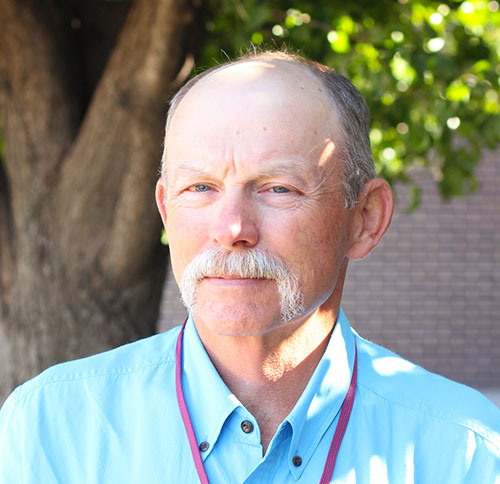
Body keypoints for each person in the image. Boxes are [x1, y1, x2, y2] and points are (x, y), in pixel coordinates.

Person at [1, 50, 499, 483]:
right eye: (200, 188)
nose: (232, 227)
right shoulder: (48, 426)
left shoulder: (466, 450)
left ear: (364, 219)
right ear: (166, 211)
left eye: (278, 187)